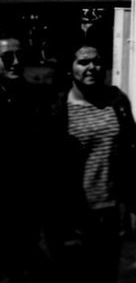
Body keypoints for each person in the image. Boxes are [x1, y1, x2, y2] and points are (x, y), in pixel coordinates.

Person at [50, 44, 136, 283]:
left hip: (110, 211)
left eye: (97, 61)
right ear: (70, 68)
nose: (91, 67)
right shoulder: (56, 108)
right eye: (83, 62)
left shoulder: (117, 101)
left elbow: (134, 154)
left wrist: (133, 204)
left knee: (105, 275)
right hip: (73, 214)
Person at [1, 36, 57, 281]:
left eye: (19, 57)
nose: (15, 62)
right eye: (6, 57)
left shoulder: (35, 97)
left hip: (29, 203)